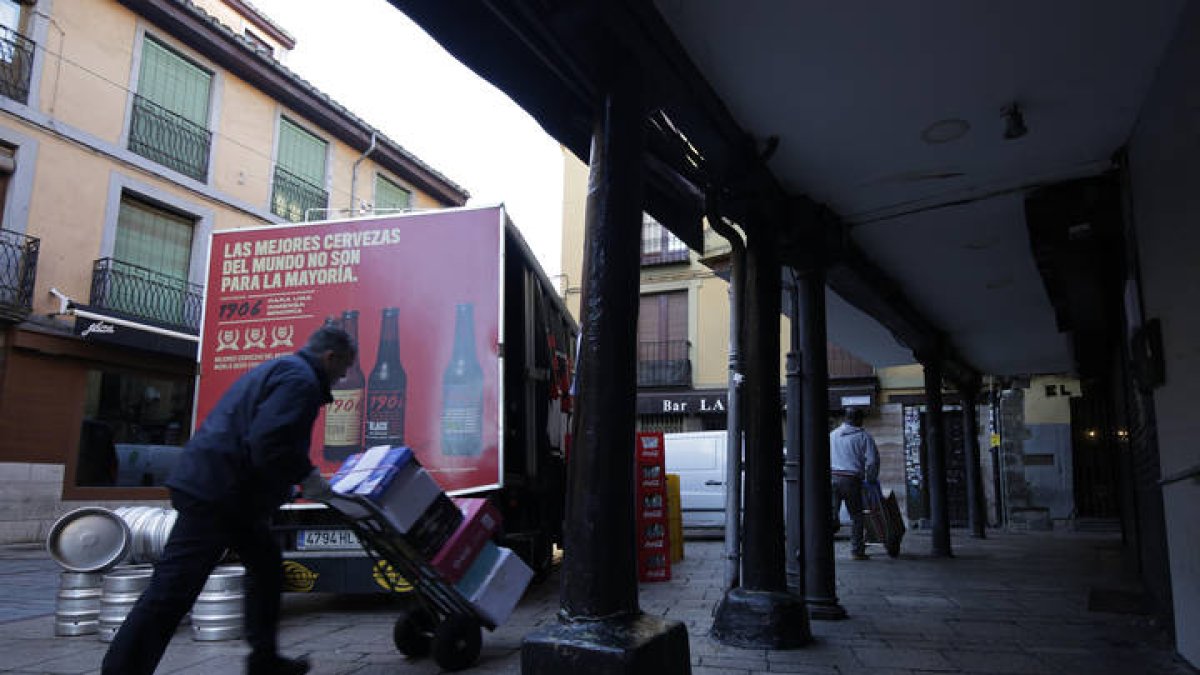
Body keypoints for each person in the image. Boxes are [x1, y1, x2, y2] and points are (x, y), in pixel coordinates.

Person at [101, 326, 352, 675]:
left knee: (266, 569)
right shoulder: (301, 381)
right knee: (173, 590)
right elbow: (270, 443)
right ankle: (122, 670)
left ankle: (264, 659)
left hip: (229, 493)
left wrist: (287, 484)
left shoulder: (283, 369)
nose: (341, 377)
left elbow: (261, 440)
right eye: (343, 369)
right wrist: (307, 477)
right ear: (331, 357)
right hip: (218, 494)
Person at [829, 406, 880, 561]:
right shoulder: (864, 437)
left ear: (846, 418)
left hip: (832, 478)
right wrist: (871, 479)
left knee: (831, 514)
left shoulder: (833, 435)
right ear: (858, 419)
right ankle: (856, 551)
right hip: (851, 480)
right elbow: (872, 461)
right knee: (857, 516)